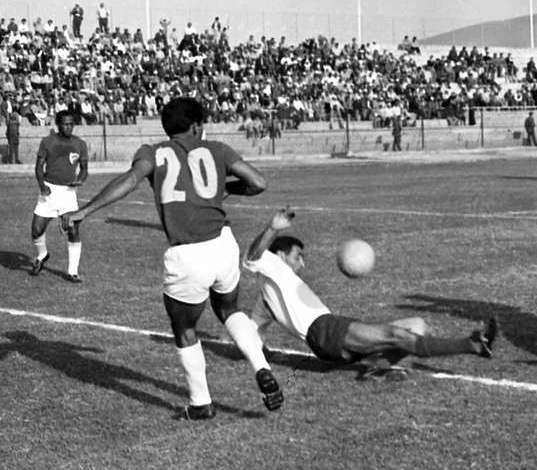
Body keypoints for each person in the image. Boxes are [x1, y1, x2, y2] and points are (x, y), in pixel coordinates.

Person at [62, 98, 283, 420]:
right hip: (223, 244)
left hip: (187, 254)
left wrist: (84, 211)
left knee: (184, 328)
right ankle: (261, 367)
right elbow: (259, 182)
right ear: (196, 125)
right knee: (229, 309)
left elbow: (129, 181)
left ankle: (201, 402)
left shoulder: (153, 152)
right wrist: (226, 189)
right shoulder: (217, 148)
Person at [242, 208, 498, 378]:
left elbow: (252, 335)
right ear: (280, 255)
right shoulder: (271, 265)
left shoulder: (268, 296)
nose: (302, 263)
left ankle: (377, 367)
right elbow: (253, 255)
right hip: (324, 331)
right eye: (298, 256)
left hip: (330, 333)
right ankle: (472, 344)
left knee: (417, 325)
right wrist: (273, 228)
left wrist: (256, 351)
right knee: (397, 336)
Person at [30, 110, 88, 282]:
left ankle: (72, 271)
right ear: (58, 124)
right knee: (36, 230)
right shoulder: (48, 142)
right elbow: (39, 167)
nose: (68, 127)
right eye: (65, 123)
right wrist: (42, 186)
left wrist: (80, 180)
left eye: (71, 123)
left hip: (68, 193)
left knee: (73, 229)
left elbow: (84, 169)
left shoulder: (80, 144)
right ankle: (42, 255)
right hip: (49, 190)